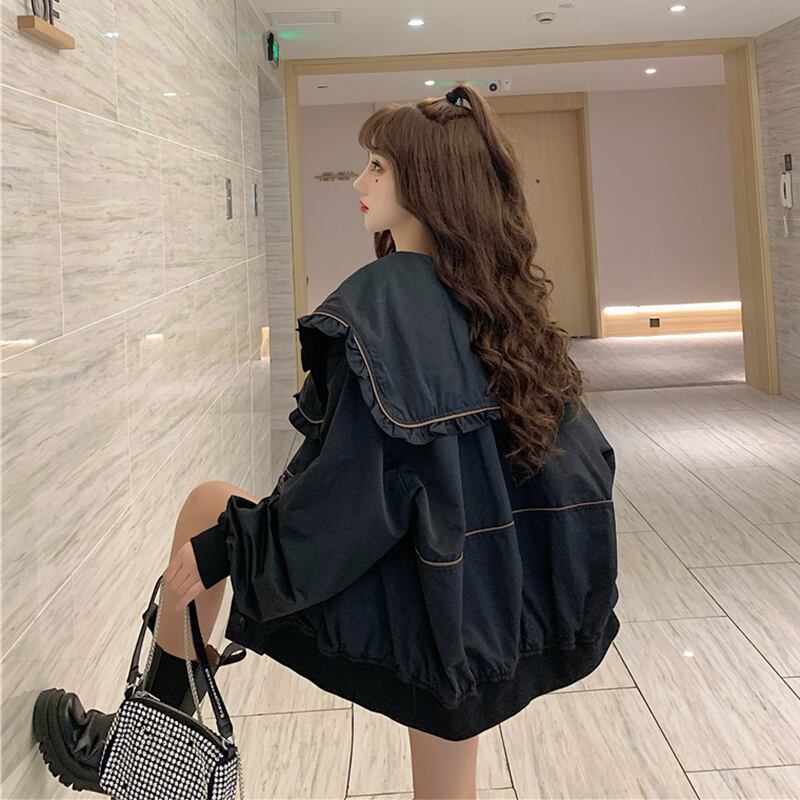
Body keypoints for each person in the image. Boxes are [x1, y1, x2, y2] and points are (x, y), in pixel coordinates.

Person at [32, 82, 620, 800]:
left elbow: (351, 492)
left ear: (426, 184)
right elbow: (584, 465)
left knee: (209, 510)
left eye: (378, 166)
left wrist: (227, 549)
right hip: (495, 593)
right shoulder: (504, 303)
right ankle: (146, 753)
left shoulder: (382, 304)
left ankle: (143, 756)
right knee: (448, 727)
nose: (359, 182)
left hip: (429, 585)